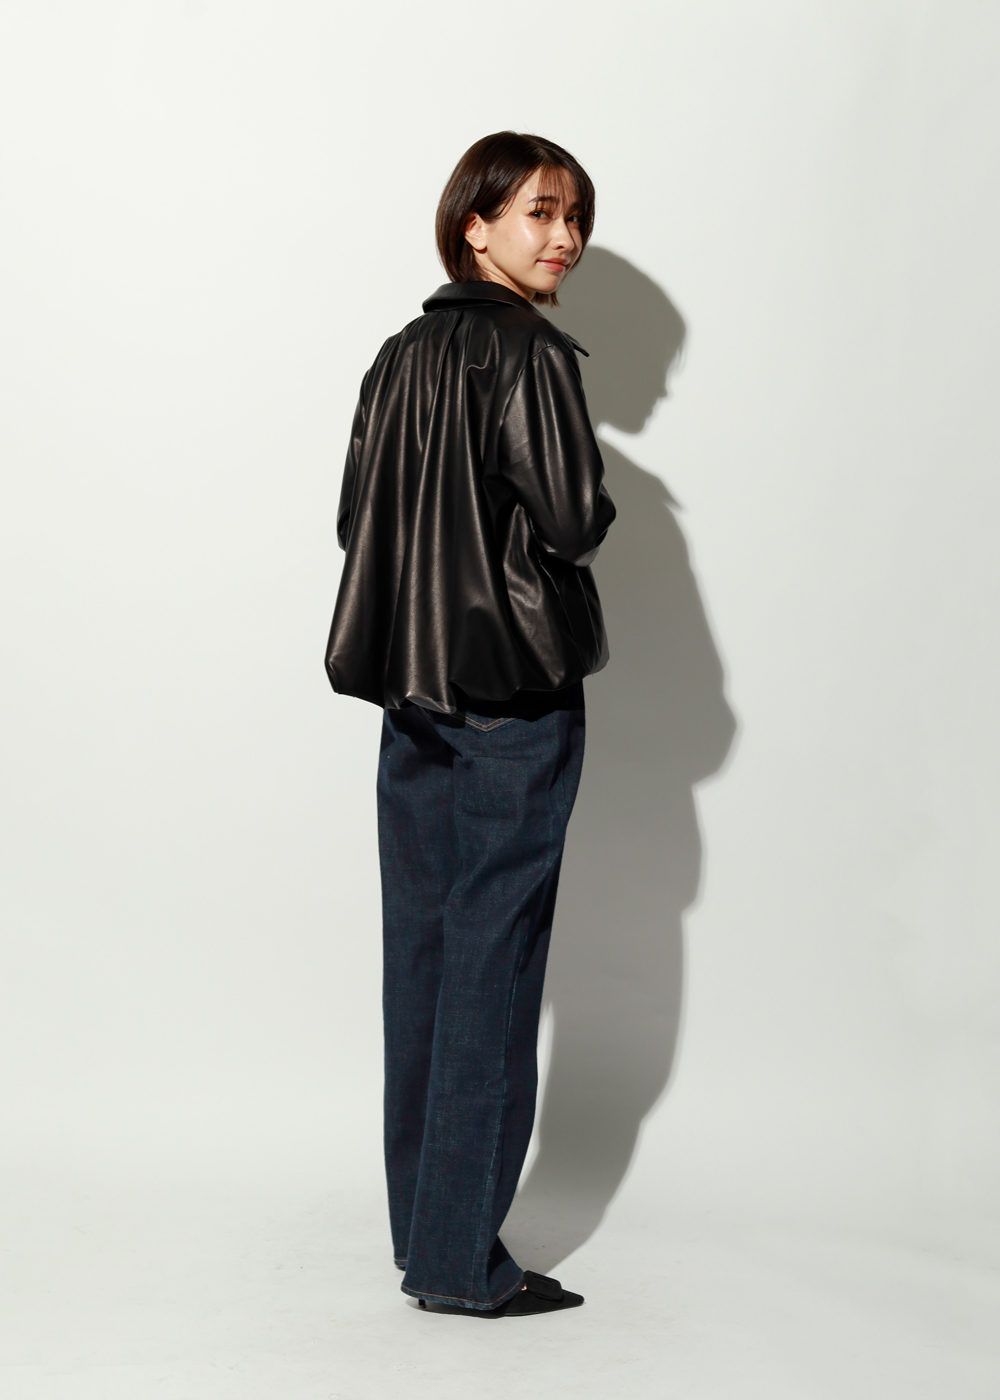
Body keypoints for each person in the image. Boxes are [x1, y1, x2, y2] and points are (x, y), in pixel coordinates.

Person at [325, 132, 615, 1316]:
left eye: (574, 216)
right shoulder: (531, 354)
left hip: (415, 703)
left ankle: (426, 1236)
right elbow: (573, 518)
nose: (564, 238)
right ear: (474, 225)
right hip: (512, 702)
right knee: (491, 971)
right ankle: (457, 1262)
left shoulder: (399, 354)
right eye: (540, 212)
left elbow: (358, 520)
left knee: (425, 964)